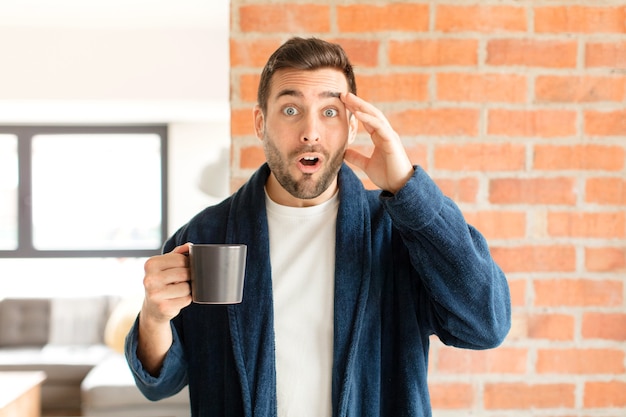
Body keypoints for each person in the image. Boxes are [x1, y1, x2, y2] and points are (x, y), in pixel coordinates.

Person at [125, 37, 511, 417]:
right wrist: (154, 318)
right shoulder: (205, 237)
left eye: (329, 112)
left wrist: (408, 188)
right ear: (261, 123)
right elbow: (161, 381)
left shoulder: (397, 232)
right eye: (291, 110)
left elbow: (485, 324)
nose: (311, 132)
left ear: (352, 127)